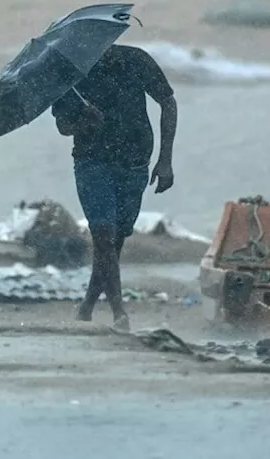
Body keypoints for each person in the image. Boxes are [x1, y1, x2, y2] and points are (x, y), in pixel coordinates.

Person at [51, 44, 177, 331]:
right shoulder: (69, 74)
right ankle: (120, 312)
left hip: (135, 162)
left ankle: (86, 307)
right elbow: (63, 125)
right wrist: (83, 122)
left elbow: (168, 102)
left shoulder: (136, 60)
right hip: (91, 162)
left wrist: (165, 159)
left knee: (114, 241)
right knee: (103, 236)